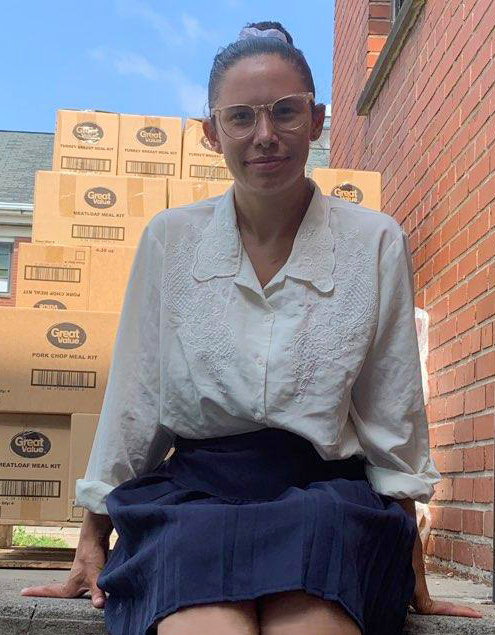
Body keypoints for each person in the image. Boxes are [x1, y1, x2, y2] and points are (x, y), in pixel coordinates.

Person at [21, 20, 484, 635]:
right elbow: (136, 395)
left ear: (317, 120)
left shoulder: (375, 242)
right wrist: (90, 539)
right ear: (213, 133)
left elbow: (392, 405)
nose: (265, 135)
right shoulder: (171, 241)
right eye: (241, 118)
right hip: (196, 501)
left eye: (285, 112)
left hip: (327, 503)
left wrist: (409, 562)